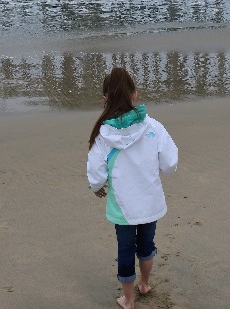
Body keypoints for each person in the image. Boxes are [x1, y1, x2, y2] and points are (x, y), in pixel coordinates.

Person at [87, 68, 179, 309]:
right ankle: (145, 283)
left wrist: (97, 187)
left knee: (125, 250)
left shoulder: (103, 135)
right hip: (149, 200)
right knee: (146, 246)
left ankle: (128, 299)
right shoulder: (153, 127)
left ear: (105, 98)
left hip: (123, 207)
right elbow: (170, 164)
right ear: (135, 95)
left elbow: (96, 174)